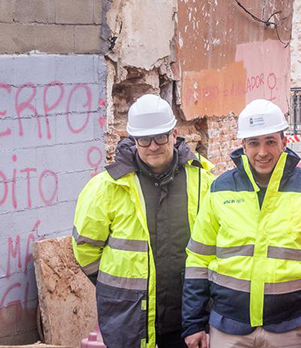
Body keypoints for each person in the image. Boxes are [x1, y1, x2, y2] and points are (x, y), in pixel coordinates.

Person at [183, 100, 301, 348]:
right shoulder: (220, 190)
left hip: (290, 329)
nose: (262, 152)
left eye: (270, 141)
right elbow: (198, 261)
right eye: (254, 143)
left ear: (284, 142)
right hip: (228, 329)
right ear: (243, 145)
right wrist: (193, 324)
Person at [73, 94, 215, 348]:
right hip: (128, 317)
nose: (153, 146)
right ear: (133, 139)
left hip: (188, 318)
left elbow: (216, 244)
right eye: (144, 139)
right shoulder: (106, 187)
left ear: (173, 134)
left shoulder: (203, 181)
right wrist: (117, 286)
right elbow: (85, 248)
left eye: (160, 136)